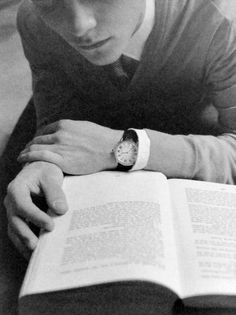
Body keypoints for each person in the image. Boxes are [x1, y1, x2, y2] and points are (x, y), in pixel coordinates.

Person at [4, 0, 236, 259]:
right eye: (50, 3)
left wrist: (122, 148)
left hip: (195, 134)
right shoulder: (34, 18)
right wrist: (46, 161)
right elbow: (57, 109)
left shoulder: (222, 17)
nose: (80, 27)